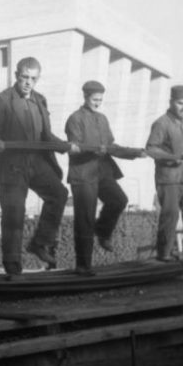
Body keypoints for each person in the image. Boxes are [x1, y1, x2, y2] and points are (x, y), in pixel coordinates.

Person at [0, 56, 79, 280]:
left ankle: (40, 243)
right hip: (12, 165)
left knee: (59, 194)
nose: (28, 82)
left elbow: (46, 136)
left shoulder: (40, 101)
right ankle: (13, 268)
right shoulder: (2, 100)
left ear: (38, 79)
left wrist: (66, 146)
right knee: (14, 215)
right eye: (24, 77)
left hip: (36, 162)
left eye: (33, 79)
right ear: (16, 76)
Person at [65, 80, 146, 276]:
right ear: (85, 97)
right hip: (83, 174)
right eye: (94, 99)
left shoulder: (102, 119)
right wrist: (93, 148)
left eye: (100, 100)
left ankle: (102, 231)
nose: (97, 103)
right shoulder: (74, 119)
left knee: (119, 200)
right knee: (84, 219)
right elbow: (74, 148)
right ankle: (83, 266)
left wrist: (135, 153)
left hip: (102, 172)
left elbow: (112, 147)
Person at [145, 85, 183, 266]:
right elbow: (151, 149)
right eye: (180, 103)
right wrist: (172, 158)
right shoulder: (161, 123)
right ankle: (164, 254)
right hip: (168, 179)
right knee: (170, 215)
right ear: (171, 102)